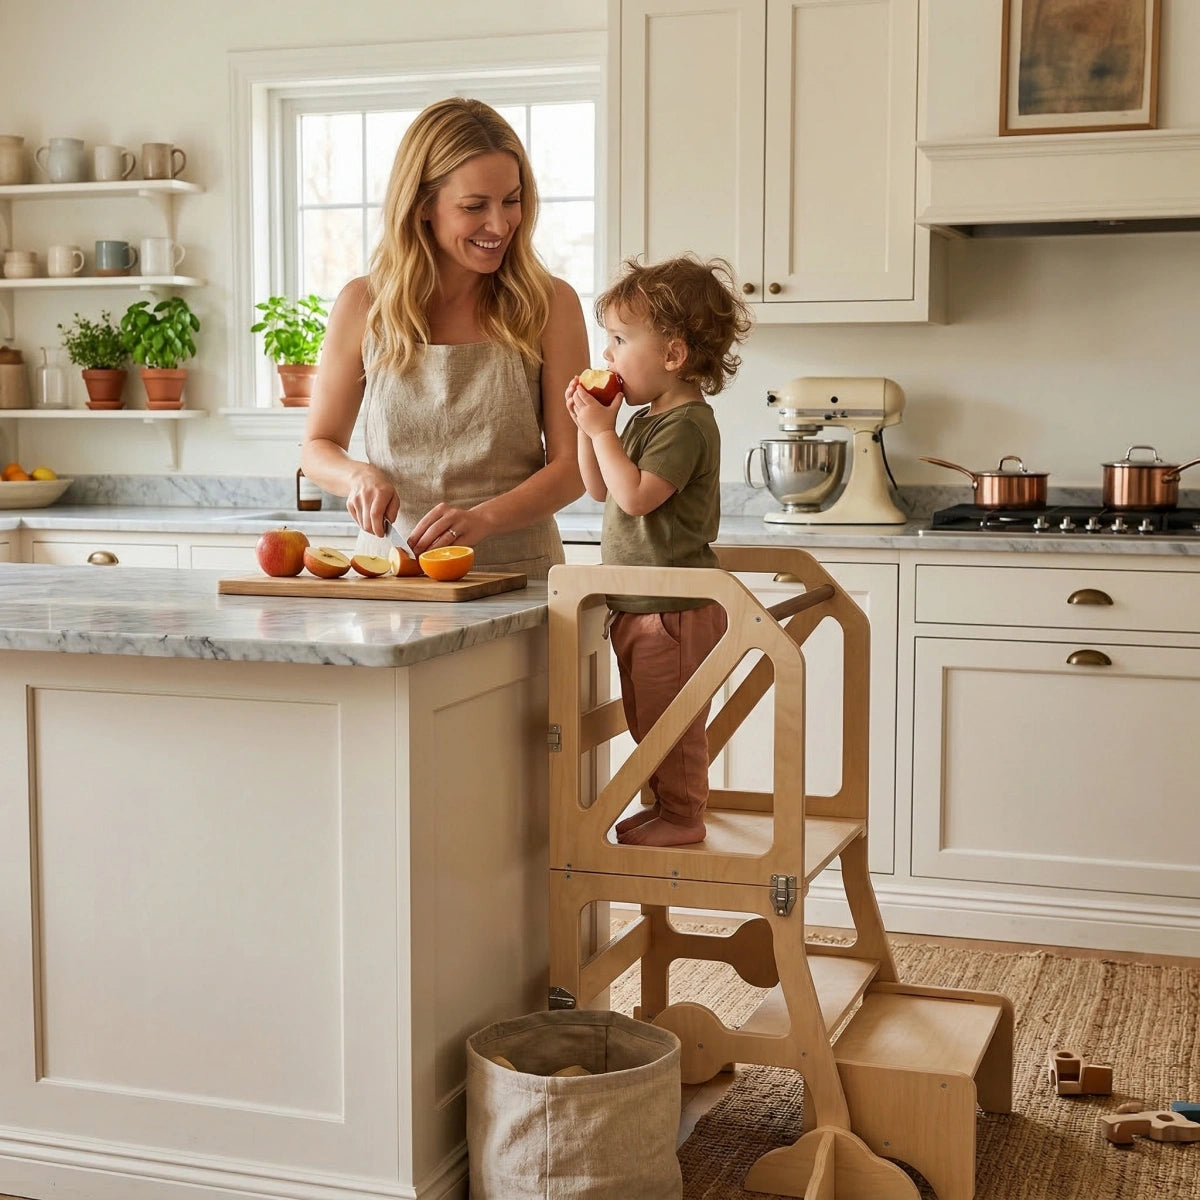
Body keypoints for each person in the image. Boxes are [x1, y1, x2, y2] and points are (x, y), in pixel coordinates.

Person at [300, 97, 589, 580]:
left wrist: (484, 520)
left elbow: (573, 467)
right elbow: (317, 446)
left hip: (519, 575)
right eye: (475, 206)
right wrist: (358, 475)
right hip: (391, 572)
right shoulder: (362, 305)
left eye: (512, 200)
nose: (500, 225)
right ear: (422, 207)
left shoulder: (551, 304)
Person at [565, 255, 753, 846]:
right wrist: (585, 427)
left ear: (671, 355)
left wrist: (601, 432)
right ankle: (666, 805)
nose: (607, 355)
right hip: (643, 606)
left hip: (675, 608)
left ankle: (683, 815)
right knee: (649, 720)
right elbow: (599, 489)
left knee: (673, 722)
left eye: (620, 340)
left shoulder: (688, 424)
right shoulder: (646, 420)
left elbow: (639, 497)